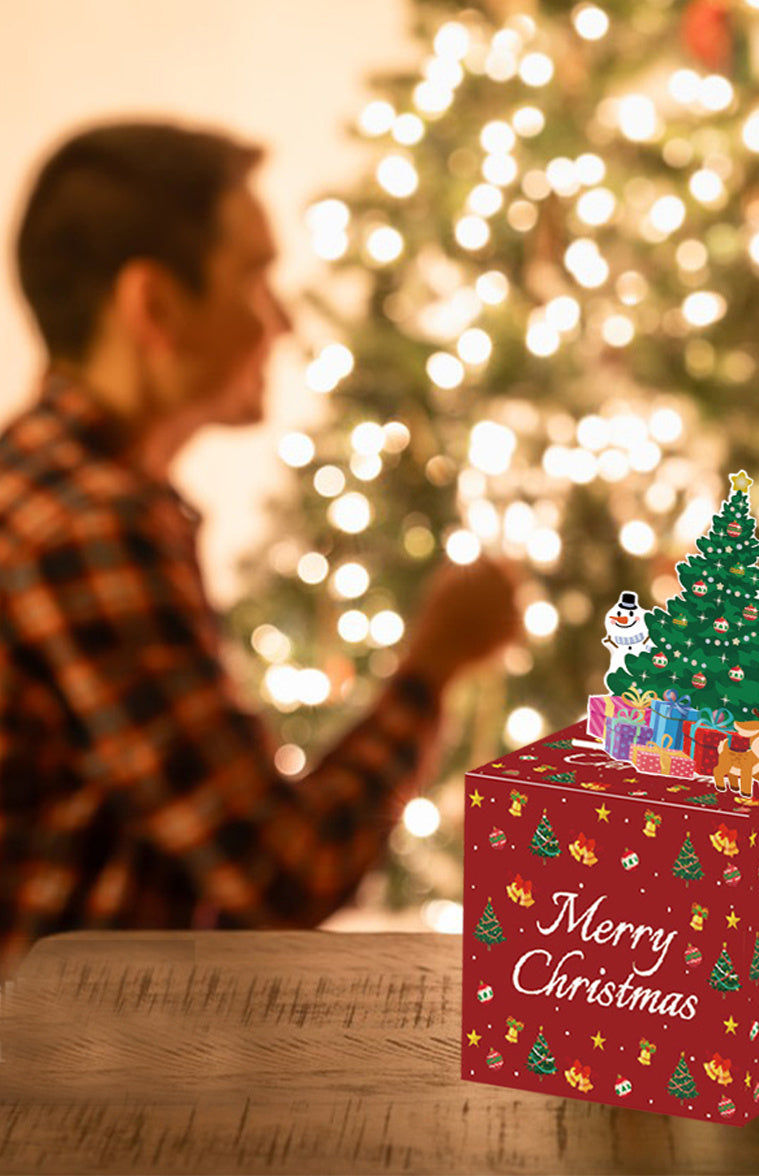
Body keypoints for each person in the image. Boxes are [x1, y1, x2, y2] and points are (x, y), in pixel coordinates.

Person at [0, 120, 519, 977]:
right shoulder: (89, 527)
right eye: (254, 276)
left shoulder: (44, 484)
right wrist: (433, 665)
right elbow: (284, 871)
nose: (280, 319)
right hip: (54, 1053)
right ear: (154, 306)